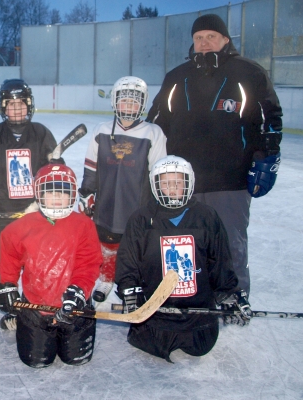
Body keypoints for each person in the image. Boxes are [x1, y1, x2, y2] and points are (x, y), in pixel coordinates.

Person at [146, 14, 283, 297]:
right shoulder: (176, 77)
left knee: (230, 240)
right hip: (182, 181)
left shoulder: (249, 73)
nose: (205, 43)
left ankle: (234, 295)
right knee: (184, 241)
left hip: (230, 177)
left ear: (225, 40)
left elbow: (270, 118)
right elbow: (156, 124)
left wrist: (267, 157)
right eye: (199, 38)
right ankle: (191, 292)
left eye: (211, 37)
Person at [115, 156, 252, 362]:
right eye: (165, 183)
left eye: (178, 182)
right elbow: (129, 261)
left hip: (198, 317)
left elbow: (220, 261)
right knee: (149, 342)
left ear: (189, 183)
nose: (172, 188)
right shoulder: (141, 219)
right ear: (155, 185)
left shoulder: (207, 216)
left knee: (201, 346)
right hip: (154, 315)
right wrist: (130, 290)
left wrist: (228, 293)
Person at [0, 163, 103, 368]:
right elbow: (10, 255)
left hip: (74, 307)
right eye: (50, 192)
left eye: (63, 192)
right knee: (36, 361)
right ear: (39, 194)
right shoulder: (20, 227)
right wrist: (7, 284)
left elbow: (88, 263)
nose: (57, 198)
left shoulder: (84, 225)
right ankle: (22, 321)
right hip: (36, 305)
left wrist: (79, 290)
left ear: (72, 194)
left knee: (76, 359)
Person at [78, 76, 167, 303]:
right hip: (107, 200)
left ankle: (132, 283)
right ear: (115, 103)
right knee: (107, 241)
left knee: (137, 246)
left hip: (138, 204)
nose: (128, 106)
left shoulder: (153, 133)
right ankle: (106, 279)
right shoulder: (102, 130)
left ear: (143, 104)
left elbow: (158, 173)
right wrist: (86, 192)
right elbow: (91, 167)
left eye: (134, 102)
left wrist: (158, 204)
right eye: (124, 101)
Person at [0, 79, 57, 296]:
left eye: (21, 103)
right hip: (0, 205)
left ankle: (31, 282)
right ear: (3, 107)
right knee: (0, 251)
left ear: (29, 105)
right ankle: (2, 275)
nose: (16, 108)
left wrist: (56, 167)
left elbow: (55, 169)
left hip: (32, 207)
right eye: (11, 104)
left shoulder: (41, 133)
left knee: (34, 252)